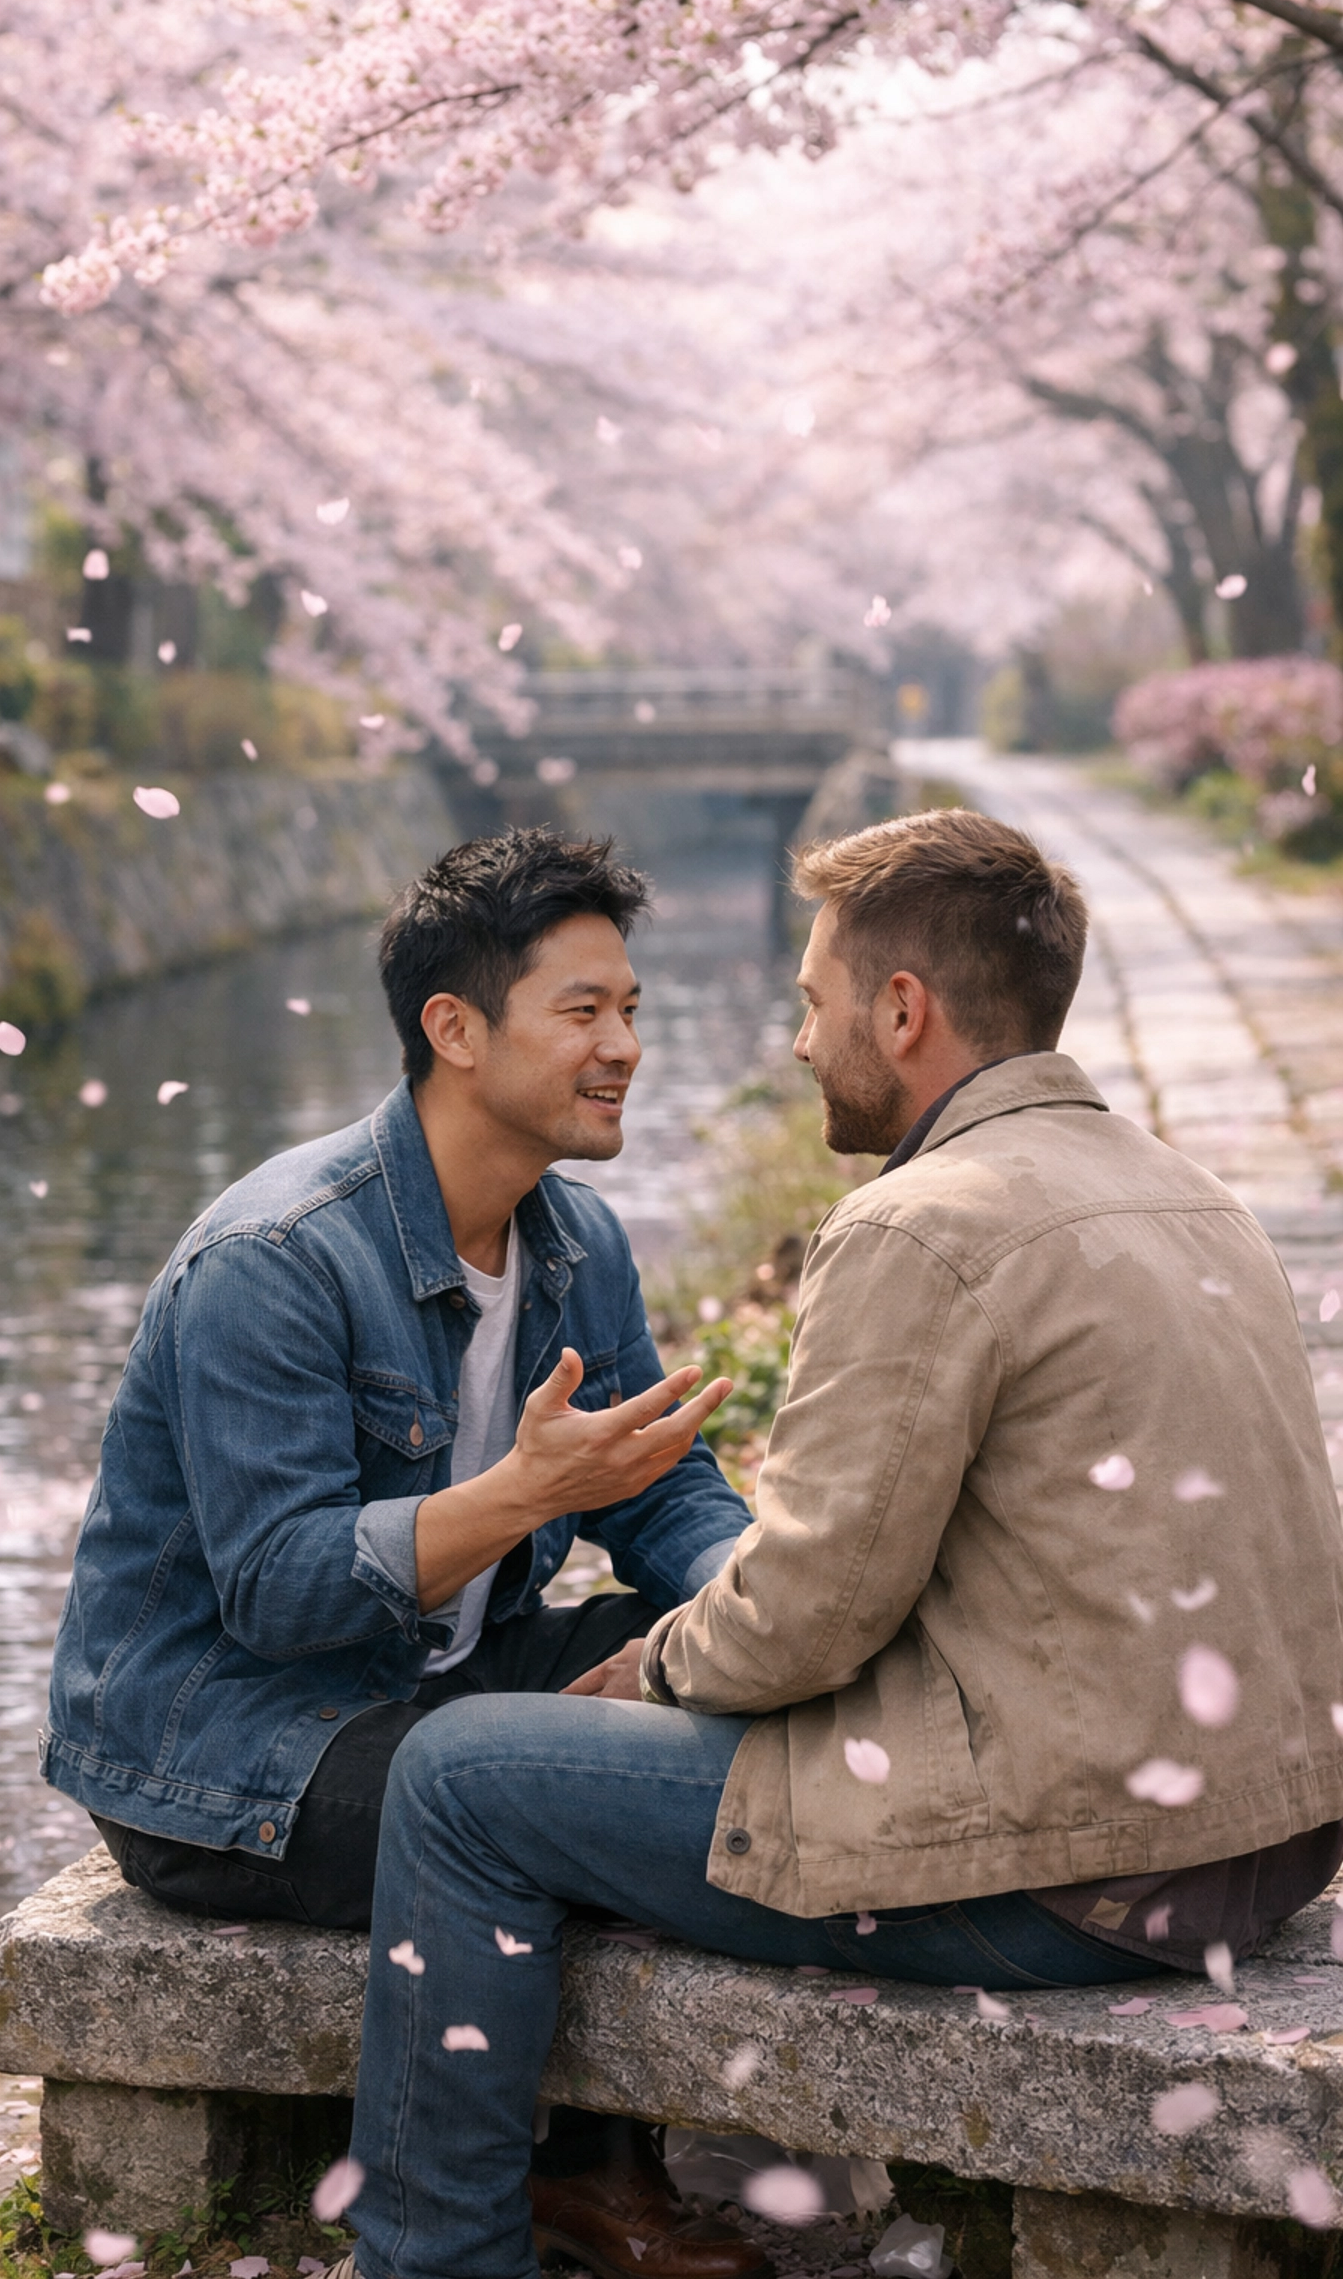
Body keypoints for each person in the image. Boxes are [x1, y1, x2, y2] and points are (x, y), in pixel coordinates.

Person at [331, 807, 1343, 2279]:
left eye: (814, 1003)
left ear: (903, 1011)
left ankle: (433, 2258)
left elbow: (805, 1616)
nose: (800, 1042)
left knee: (458, 1775)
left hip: (1084, 1876)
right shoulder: (1197, 1198)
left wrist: (647, 1671)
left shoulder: (917, 1226)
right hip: (1264, 1845)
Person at [42, 828, 770, 2279]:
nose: (625, 1047)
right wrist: (516, 1495)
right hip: (233, 1749)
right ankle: (489, 2213)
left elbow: (662, 1496)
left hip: (435, 1688)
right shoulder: (278, 1260)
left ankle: (580, 2172)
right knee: (547, 1806)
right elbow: (279, 1589)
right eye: (583, 1011)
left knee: (732, 1695)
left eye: (632, 1009)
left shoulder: (577, 1241)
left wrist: (769, 1608)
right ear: (455, 1028)